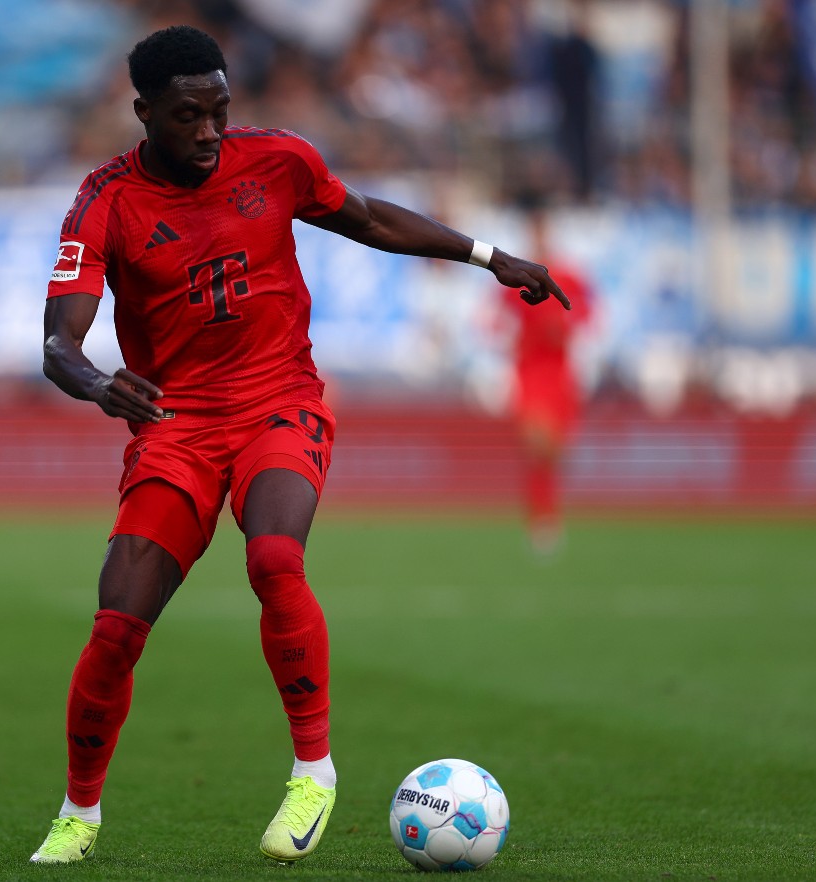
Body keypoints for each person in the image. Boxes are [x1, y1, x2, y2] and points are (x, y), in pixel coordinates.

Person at [34, 24, 569, 866]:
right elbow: (59, 344)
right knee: (117, 627)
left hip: (278, 403)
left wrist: (486, 255)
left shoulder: (276, 159)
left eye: (220, 111)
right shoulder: (104, 203)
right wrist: (100, 383)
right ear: (143, 113)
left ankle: (312, 771)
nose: (210, 131)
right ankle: (79, 812)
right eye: (188, 116)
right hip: (175, 431)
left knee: (275, 558)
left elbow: (367, 219)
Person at [493, 195, 593, 554]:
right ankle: (541, 522)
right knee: (536, 443)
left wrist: (564, 326)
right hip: (530, 370)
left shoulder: (568, 275)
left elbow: (589, 314)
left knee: (553, 452)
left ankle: (549, 515)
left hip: (560, 371)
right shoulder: (516, 274)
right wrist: (509, 337)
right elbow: (494, 321)